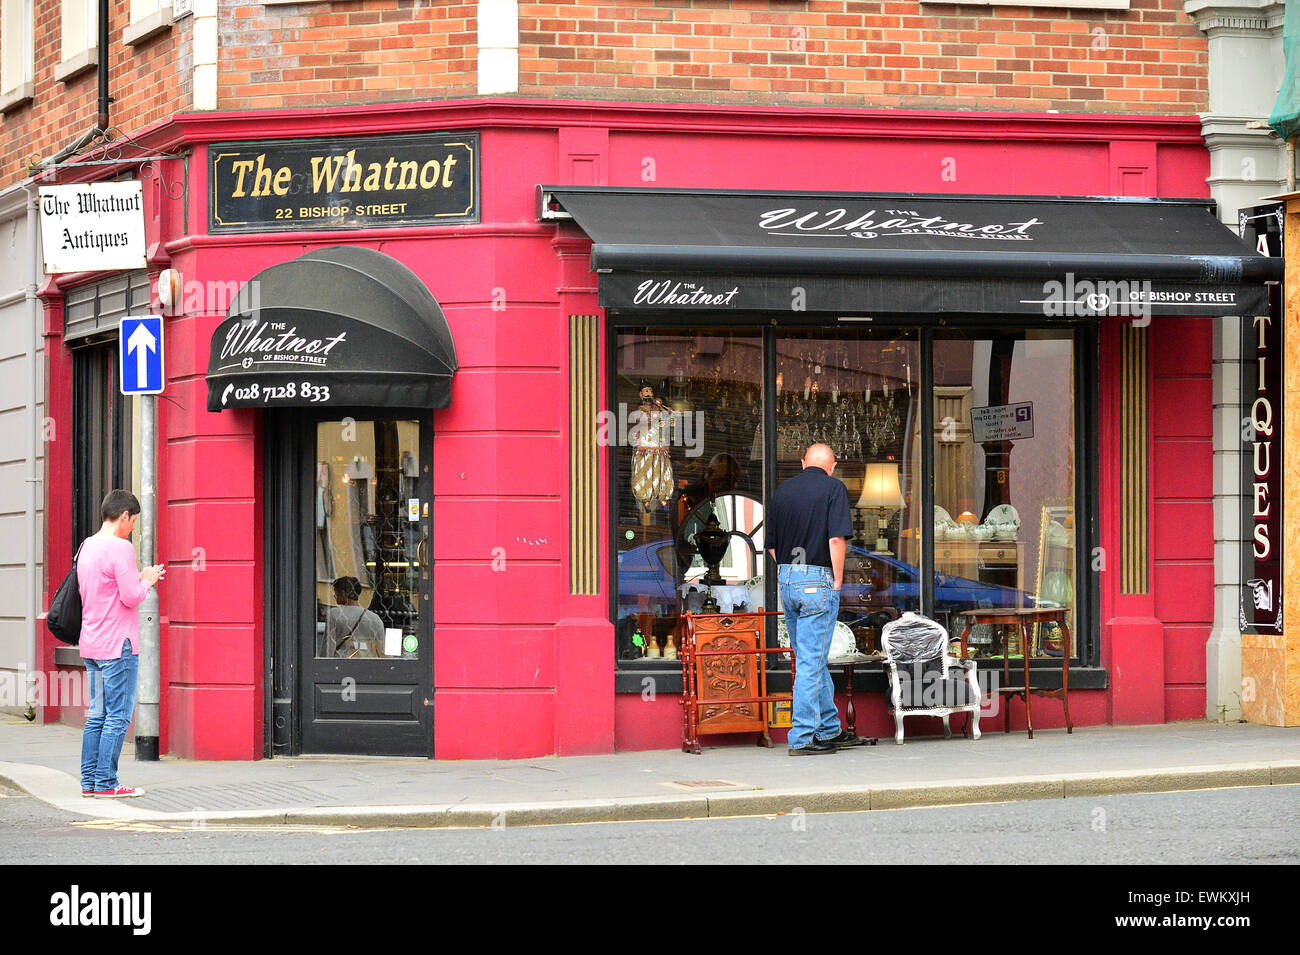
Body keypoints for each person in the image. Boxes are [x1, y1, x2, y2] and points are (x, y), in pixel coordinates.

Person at [767, 444, 866, 755]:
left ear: (802, 463)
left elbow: (770, 545)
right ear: (833, 466)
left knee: (810, 657)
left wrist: (790, 575)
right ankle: (801, 736)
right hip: (818, 579)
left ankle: (828, 729)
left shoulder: (782, 491)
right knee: (812, 661)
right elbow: (836, 538)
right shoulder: (834, 488)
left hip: (787, 576)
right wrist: (836, 580)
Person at [77, 489, 165, 797]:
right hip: (119, 645)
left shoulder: (86, 546)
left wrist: (136, 579)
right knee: (117, 716)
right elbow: (131, 596)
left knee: (97, 714)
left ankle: (89, 782)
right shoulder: (120, 548)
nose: (134, 528)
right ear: (124, 516)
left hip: (91, 642)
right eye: (134, 521)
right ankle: (107, 782)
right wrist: (148, 579)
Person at [326, 576, 386, 657]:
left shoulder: (334, 614)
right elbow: (383, 651)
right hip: (367, 666)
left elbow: (328, 647)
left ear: (343, 593)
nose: (335, 596)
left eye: (336, 593)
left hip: (342, 666)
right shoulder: (375, 618)